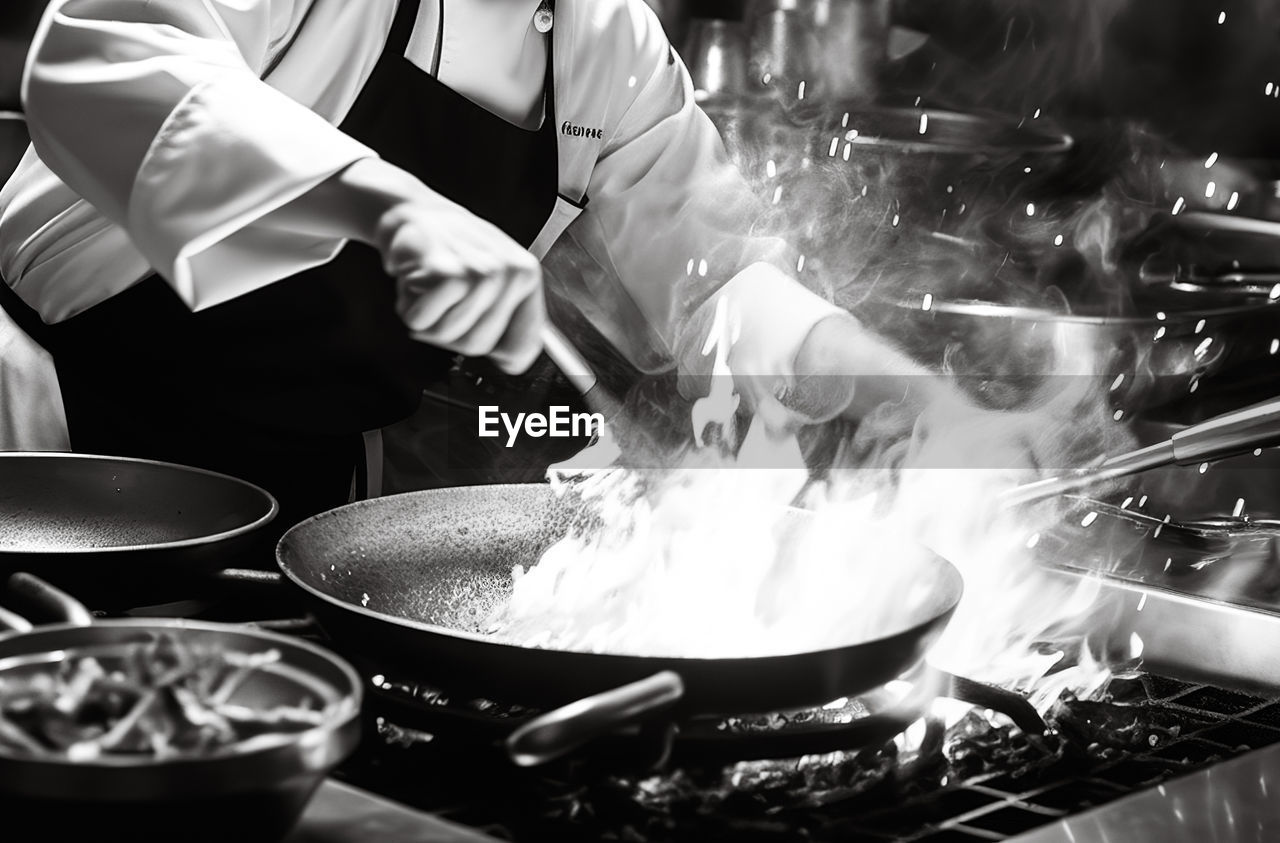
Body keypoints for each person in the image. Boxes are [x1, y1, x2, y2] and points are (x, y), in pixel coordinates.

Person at [0, 0, 1046, 527]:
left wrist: (910, 402)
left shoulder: (606, 38)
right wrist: (389, 204)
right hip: (59, 447)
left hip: (302, 483)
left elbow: (715, 283)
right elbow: (103, 66)